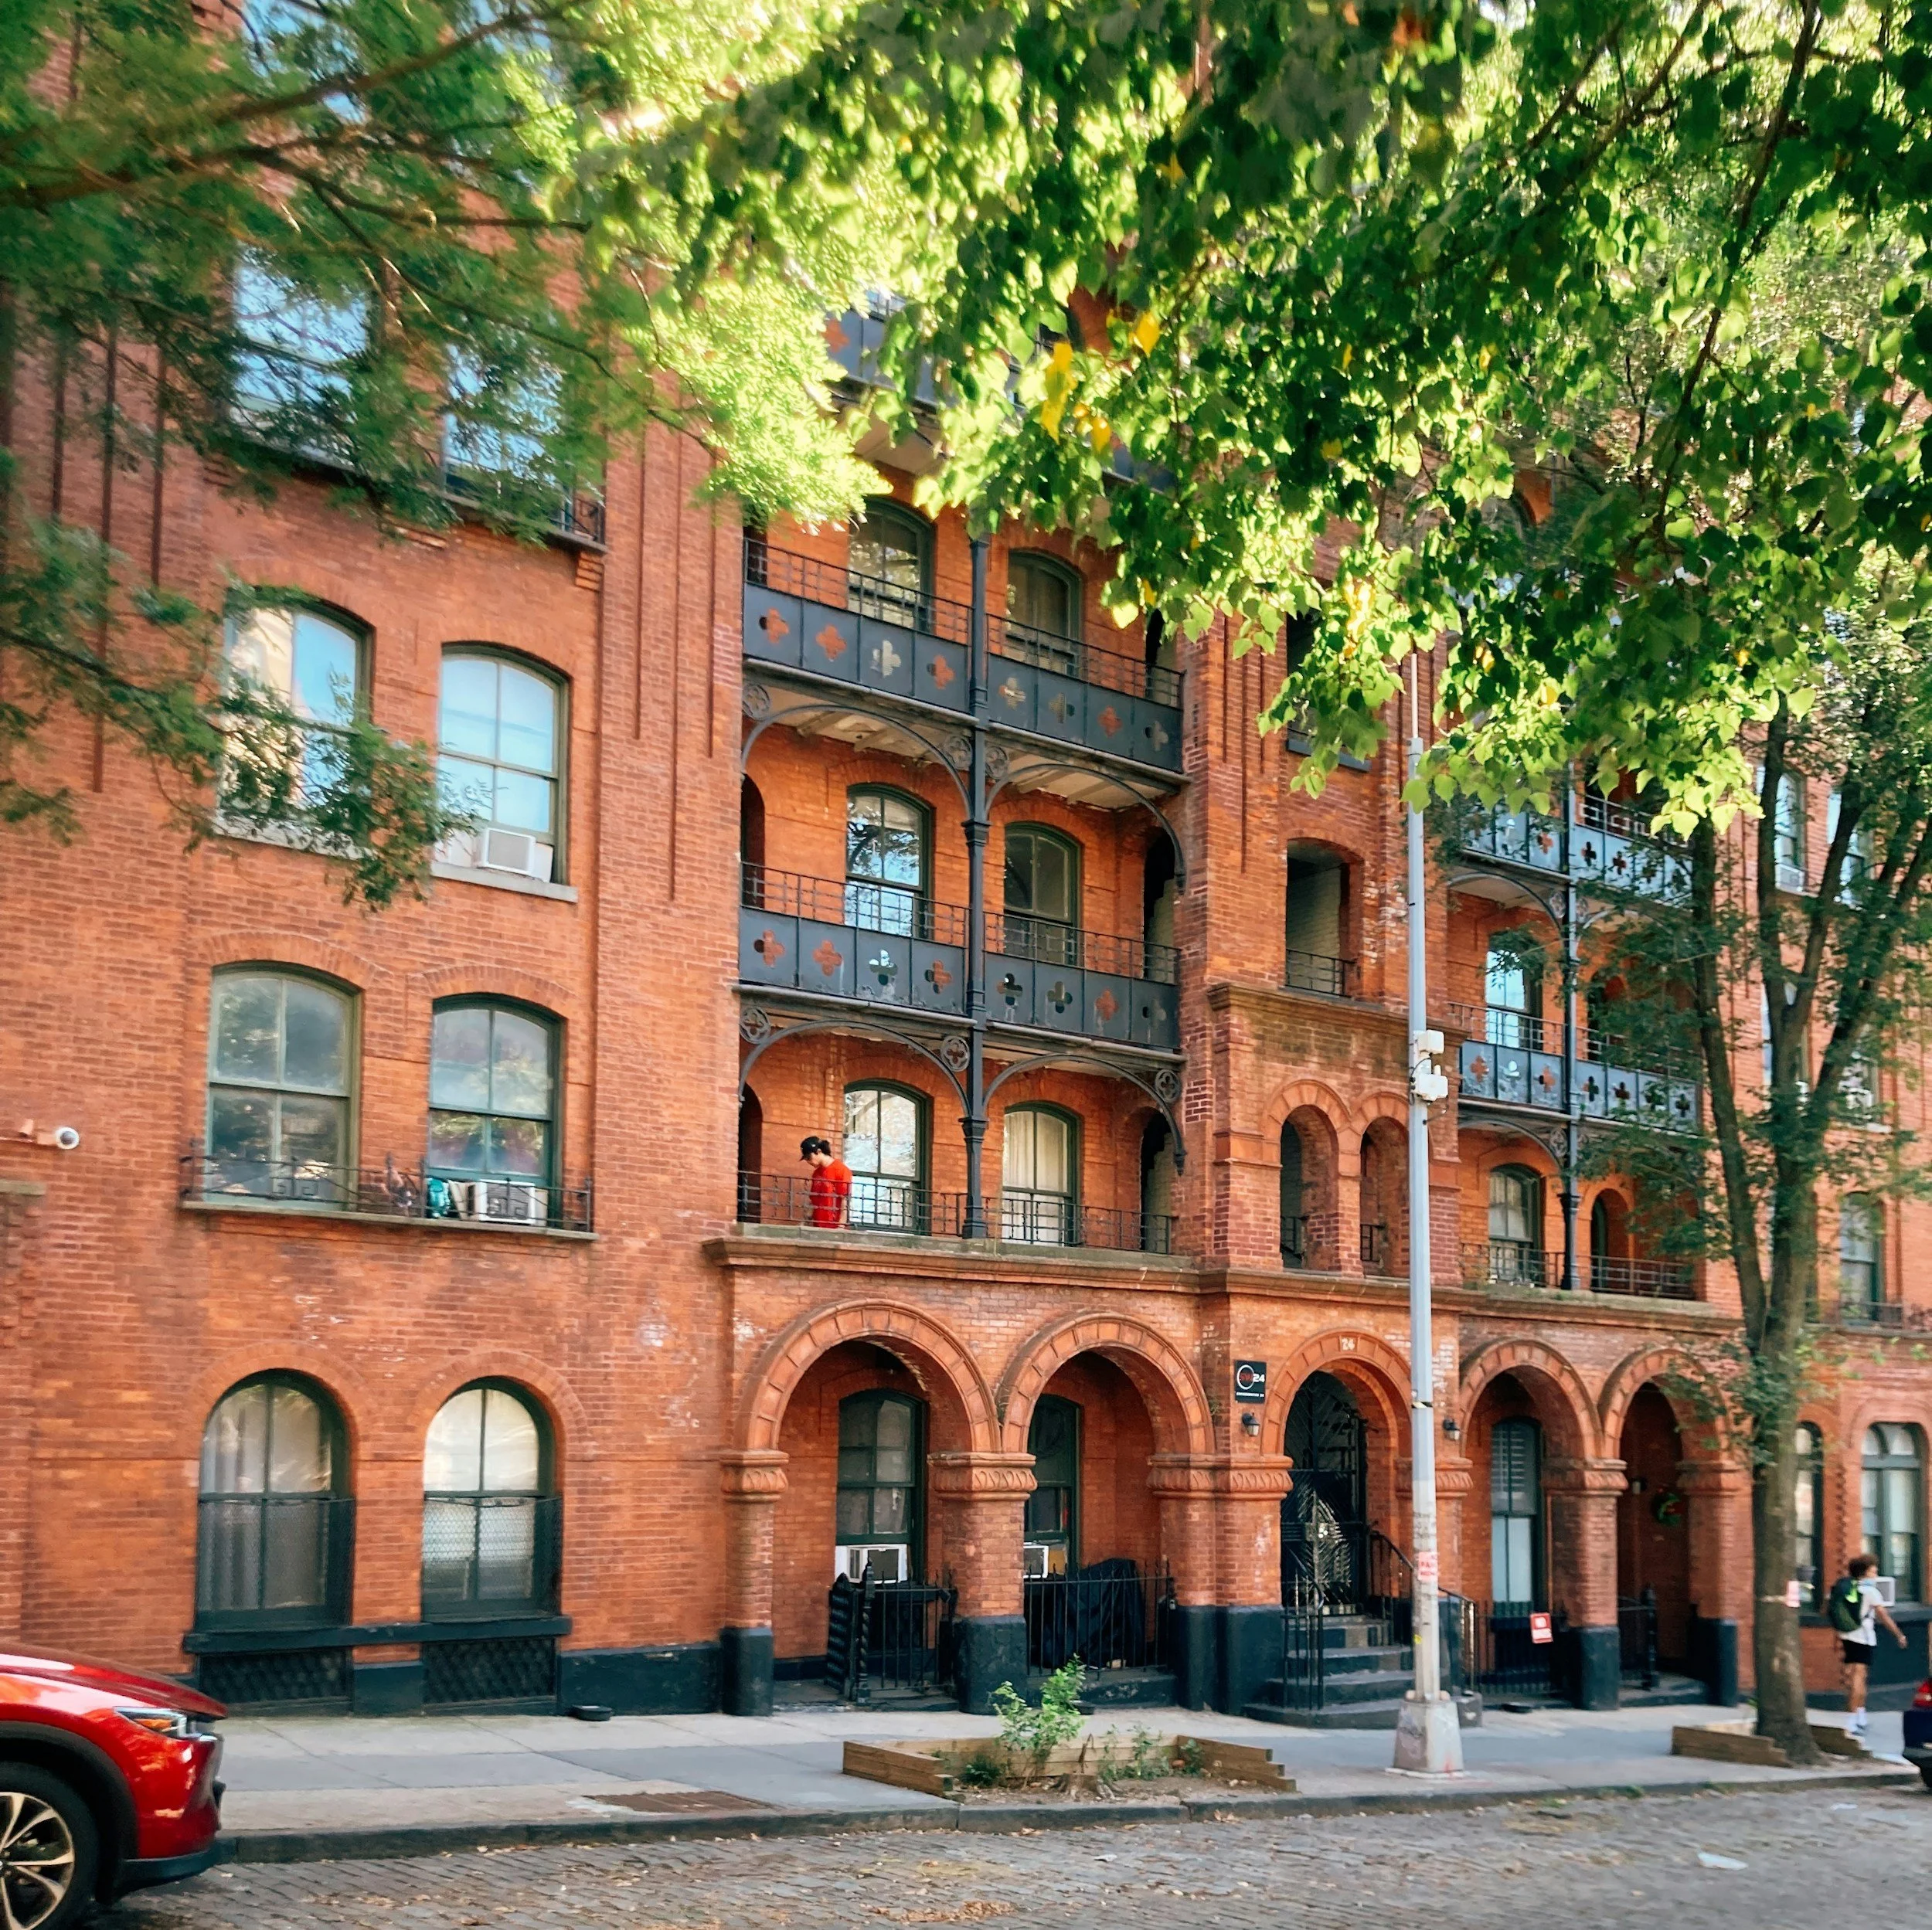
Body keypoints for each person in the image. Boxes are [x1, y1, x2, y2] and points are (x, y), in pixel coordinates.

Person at [1827, 1550, 1906, 1735]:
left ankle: (1860, 1716)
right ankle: (1852, 1721)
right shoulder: (1870, 1592)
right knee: (1858, 1676)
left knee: (1857, 1675)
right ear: (1864, 1572)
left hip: (1847, 1635)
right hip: (1863, 1637)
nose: (1876, 1574)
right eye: (1873, 1571)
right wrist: (1899, 1635)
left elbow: (1827, 1609)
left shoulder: (1844, 1587)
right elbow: (1884, 1617)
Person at [801, 1135, 852, 1228]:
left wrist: (841, 1226)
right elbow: (813, 1201)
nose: (808, 1162)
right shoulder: (816, 1174)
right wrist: (804, 1223)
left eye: (809, 1157)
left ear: (819, 1152)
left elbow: (845, 1200)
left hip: (833, 1226)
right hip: (817, 1225)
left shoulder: (841, 1170)